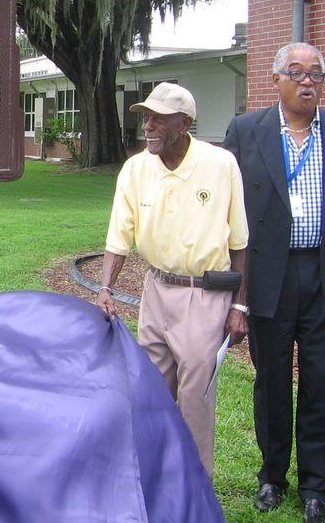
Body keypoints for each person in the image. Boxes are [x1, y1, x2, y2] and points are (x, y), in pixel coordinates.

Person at [223, 42, 325, 523]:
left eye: (317, 74)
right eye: (296, 72)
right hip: (267, 275)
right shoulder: (247, 131)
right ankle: (272, 478)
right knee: (271, 382)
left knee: (318, 383)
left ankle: (317, 488)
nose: (307, 81)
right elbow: (220, 201)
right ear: (276, 79)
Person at [98, 82, 249, 476]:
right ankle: (151, 478)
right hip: (156, 290)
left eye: (157, 118)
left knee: (195, 398)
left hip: (204, 295)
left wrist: (239, 305)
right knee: (149, 390)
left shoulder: (220, 165)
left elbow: (240, 241)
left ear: (184, 123)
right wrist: (106, 287)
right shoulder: (135, 169)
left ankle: (195, 489)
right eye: (145, 117)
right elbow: (119, 236)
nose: (147, 125)